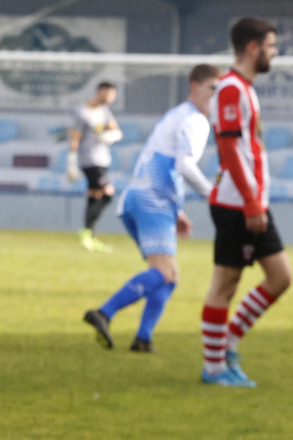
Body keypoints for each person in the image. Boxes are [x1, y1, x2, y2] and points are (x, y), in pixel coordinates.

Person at [82, 64, 221, 353]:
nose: (216, 96)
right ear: (195, 86)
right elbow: (183, 165)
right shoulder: (195, 120)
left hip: (139, 199)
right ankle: (104, 313)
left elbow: (161, 161)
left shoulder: (176, 114)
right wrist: (213, 194)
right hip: (152, 202)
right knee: (164, 273)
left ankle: (143, 339)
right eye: (212, 88)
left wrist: (177, 210)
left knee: (169, 275)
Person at [199, 17, 291, 388]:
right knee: (225, 283)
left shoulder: (244, 88)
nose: (274, 52)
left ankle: (228, 343)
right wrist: (252, 202)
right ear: (252, 47)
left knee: (280, 277)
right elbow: (229, 150)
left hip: (251, 200)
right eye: (270, 45)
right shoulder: (231, 89)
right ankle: (214, 368)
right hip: (238, 203)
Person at [67, 81, 123, 252]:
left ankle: (90, 237)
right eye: (111, 94)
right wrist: (71, 161)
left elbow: (117, 132)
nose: (112, 99)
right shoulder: (82, 111)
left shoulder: (104, 111)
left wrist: (110, 136)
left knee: (93, 197)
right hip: (90, 160)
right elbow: (75, 137)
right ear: (102, 92)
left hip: (103, 159)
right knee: (107, 195)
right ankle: (85, 232)